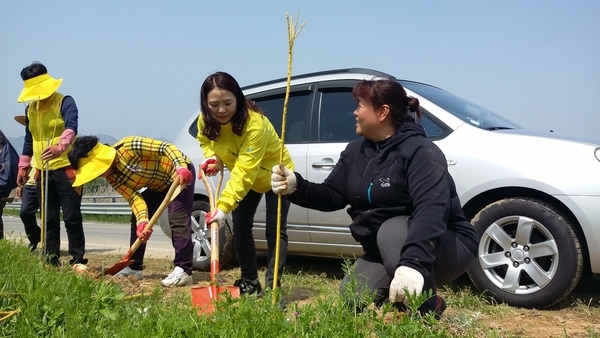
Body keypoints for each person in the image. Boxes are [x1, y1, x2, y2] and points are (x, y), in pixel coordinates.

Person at [271, 79, 479, 317]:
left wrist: (414, 263)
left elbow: (431, 209)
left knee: (392, 230)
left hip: (445, 244)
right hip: (388, 248)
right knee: (353, 294)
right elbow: (333, 195)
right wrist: (296, 186)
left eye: (360, 105)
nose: (355, 112)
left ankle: (426, 310)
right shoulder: (355, 152)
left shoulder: (420, 152)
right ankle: (405, 292)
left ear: (382, 112)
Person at [197, 71, 294, 296]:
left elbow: (244, 172)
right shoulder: (206, 119)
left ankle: (273, 286)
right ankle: (250, 282)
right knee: (240, 229)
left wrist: (223, 207)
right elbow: (204, 139)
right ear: (206, 103)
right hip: (247, 178)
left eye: (227, 103)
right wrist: (213, 156)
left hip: (275, 174)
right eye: (214, 104)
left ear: (238, 99)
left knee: (275, 230)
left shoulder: (255, 125)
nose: (221, 110)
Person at [68, 135, 196, 287]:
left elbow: (165, 148)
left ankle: (184, 269)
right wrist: (143, 222)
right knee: (137, 220)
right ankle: (134, 267)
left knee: (177, 218)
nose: (99, 175)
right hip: (158, 186)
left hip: (179, 175)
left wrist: (180, 166)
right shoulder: (112, 177)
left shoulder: (129, 146)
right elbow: (134, 198)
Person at [16, 62, 86, 267]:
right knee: (48, 217)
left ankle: (78, 259)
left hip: (66, 167)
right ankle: (50, 258)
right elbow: (29, 139)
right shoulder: (31, 109)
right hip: (42, 170)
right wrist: (23, 165)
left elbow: (72, 126)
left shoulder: (65, 102)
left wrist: (60, 147)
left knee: (72, 216)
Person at [14, 115, 41, 251]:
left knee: (48, 215)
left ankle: (49, 245)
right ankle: (35, 237)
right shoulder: (28, 142)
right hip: (30, 181)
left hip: (46, 179)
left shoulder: (47, 139)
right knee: (25, 213)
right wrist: (21, 185)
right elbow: (25, 164)